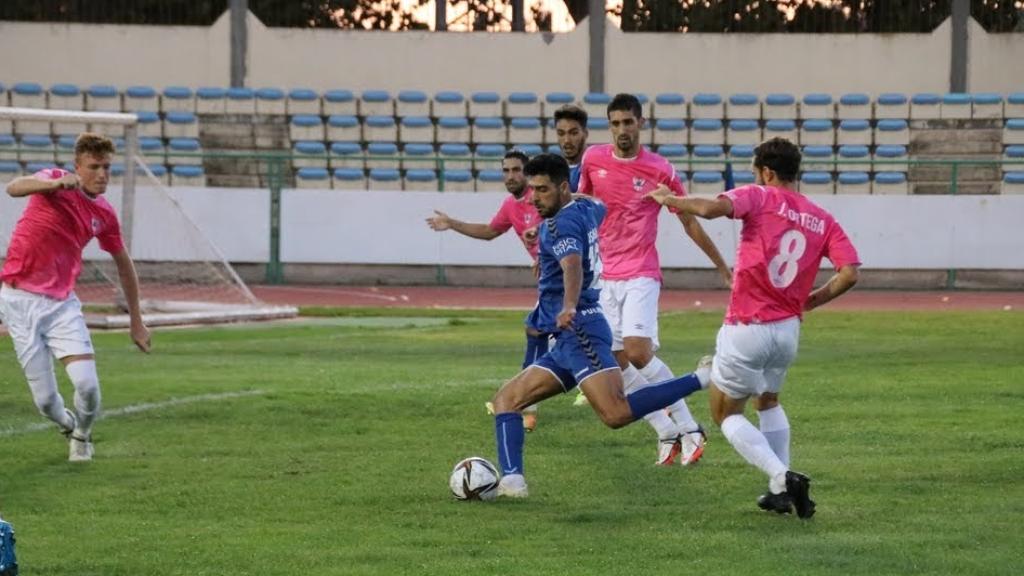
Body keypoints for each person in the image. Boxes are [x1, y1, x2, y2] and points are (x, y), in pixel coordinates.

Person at [646, 137, 861, 518]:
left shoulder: (758, 196)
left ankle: (782, 475)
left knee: (725, 413)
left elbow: (713, 208)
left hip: (747, 326)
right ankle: (779, 492)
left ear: (766, 172)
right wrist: (811, 299)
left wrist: (672, 200)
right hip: (788, 331)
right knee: (769, 401)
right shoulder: (823, 219)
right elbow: (849, 274)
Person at [491, 153, 711, 498]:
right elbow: (599, 206)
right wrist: (573, 201)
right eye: (532, 190)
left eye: (543, 190)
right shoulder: (584, 209)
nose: (534, 198)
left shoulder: (560, 226)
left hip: (581, 331)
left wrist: (568, 305)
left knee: (615, 414)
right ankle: (512, 483)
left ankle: (702, 378)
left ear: (563, 187)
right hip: (565, 339)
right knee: (507, 399)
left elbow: (572, 266)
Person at [577, 93, 732, 466]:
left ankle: (689, 425)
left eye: (628, 122)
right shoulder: (593, 159)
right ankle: (666, 431)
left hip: (641, 272)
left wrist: (723, 268)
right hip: (604, 278)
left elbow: (689, 221)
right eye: (614, 124)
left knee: (638, 352)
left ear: (641, 123)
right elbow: (581, 206)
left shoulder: (660, 170)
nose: (621, 131)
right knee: (615, 361)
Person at [0, 133, 151, 462]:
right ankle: (68, 423)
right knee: (45, 403)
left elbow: (124, 266)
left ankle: (82, 435)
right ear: (77, 167)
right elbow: (14, 187)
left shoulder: (105, 215)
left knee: (87, 385)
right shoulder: (52, 180)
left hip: (61, 305)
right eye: (94, 167)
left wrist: (136, 322)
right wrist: (54, 186)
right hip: (18, 301)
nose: (102, 174)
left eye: (107, 167)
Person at [426, 150, 546, 431]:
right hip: (551, 277)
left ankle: (523, 404)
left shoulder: (543, 195)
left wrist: (545, 245)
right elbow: (490, 231)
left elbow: (562, 219)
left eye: (516, 170)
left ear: (527, 173)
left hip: (569, 273)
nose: (511, 176)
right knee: (545, 333)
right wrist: (452, 223)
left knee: (541, 332)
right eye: (506, 171)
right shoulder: (511, 206)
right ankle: (527, 405)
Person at [552, 104, 589, 193]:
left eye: (573, 133)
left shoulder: (597, 168)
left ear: (585, 133)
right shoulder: (553, 172)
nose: (567, 140)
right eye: (561, 134)